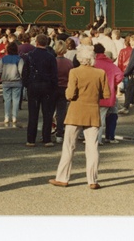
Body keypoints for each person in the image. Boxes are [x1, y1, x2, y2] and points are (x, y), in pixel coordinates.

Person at [49, 46, 109, 189]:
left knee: (69, 146)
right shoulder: (101, 73)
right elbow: (106, 94)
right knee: (92, 148)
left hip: (76, 112)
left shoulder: (74, 72)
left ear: (79, 58)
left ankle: (63, 178)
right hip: (92, 112)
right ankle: (92, 180)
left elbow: (70, 95)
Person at [21, 34, 58, 147]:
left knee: (33, 113)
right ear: (46, 43)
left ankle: (31, 139)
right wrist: (53, 87)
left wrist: (27, 84)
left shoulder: (30, 56)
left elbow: (25, 72)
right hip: (47, 86)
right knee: (47, 113)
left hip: (33, 85)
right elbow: (54, 74)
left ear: (36, 42)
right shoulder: (50, 56)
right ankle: (47, 138)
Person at [93, 43, 123, 144]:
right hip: (107, 93)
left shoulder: (92, 63)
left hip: (93, 93)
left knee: (94, 117)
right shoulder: (110, 64)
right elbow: (119, 75)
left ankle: (94, 138)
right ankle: (101, 138)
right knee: (102, 116)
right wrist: (113, 83)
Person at [0, 42, 24, 128]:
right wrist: (21, 77)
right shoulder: (19, 59)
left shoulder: (3, 59)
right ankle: (14, 117)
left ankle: (6, 116)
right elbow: (21, 71)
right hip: (17, 81)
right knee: (16, 100)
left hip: (6, 82)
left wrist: (1, 77)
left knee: (7, 100)